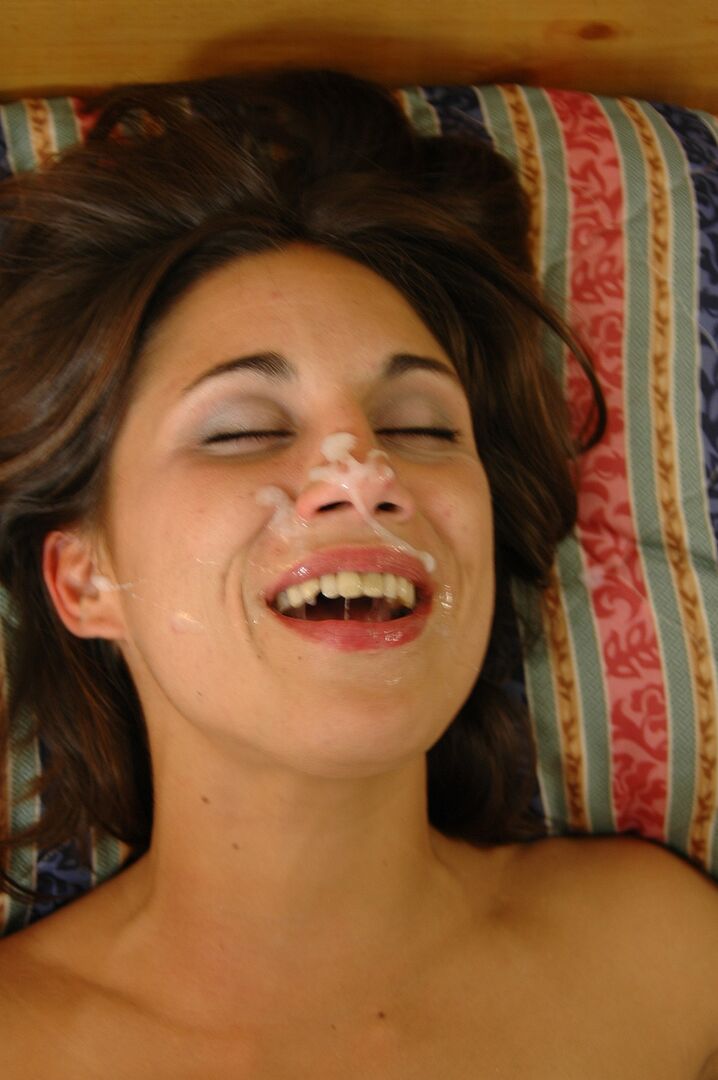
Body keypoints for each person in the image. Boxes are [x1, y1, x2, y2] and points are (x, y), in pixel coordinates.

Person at [0, 69, 716, 1078]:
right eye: (242, 430)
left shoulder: (667, 964)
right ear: (84, 580)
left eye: (422, 427)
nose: (364, 476)